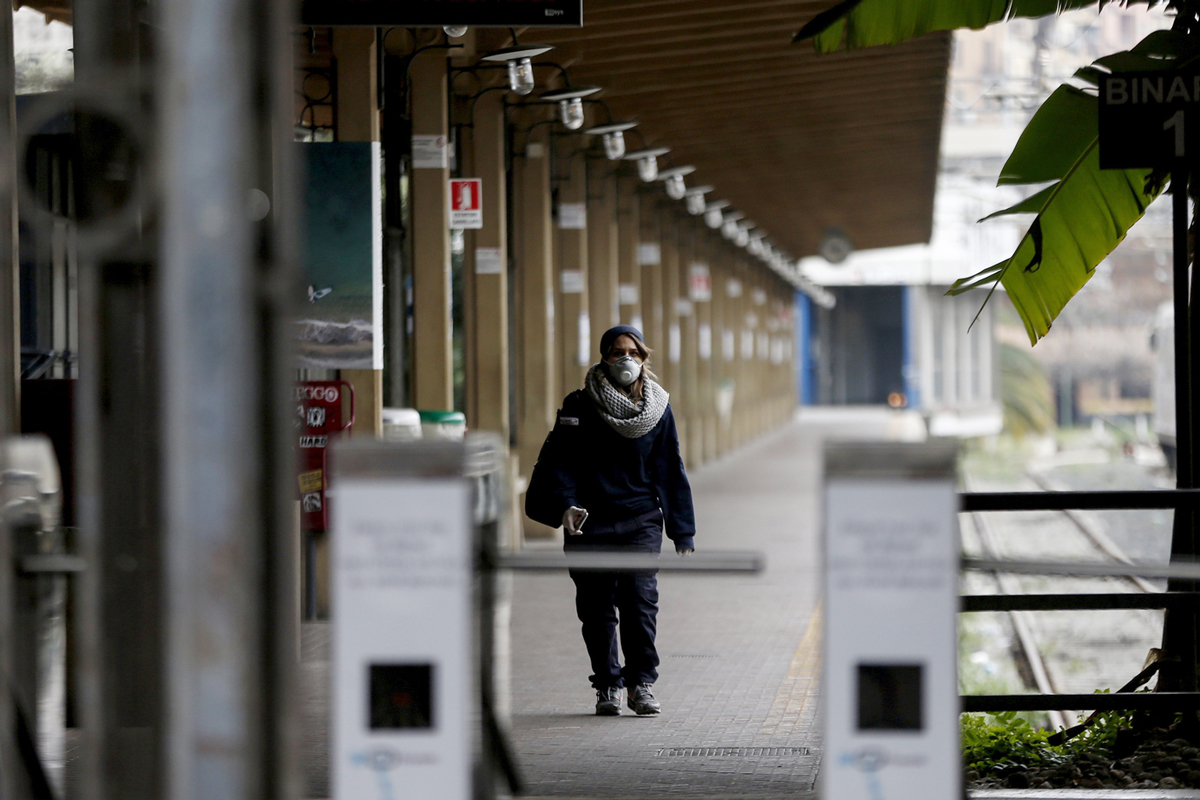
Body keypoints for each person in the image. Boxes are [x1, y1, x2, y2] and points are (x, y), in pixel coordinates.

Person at [526, 325, 696, 716]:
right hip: (589, 523)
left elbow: (670, 468)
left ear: (644, 358)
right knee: (596, 607)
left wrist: (681, 530)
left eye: (634, 353)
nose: (626, 360)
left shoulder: (657, 409)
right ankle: (607, 685)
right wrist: (566, 506)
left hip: (640, 520)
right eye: (617, 352)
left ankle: (641, 684)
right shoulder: (579, 406)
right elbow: (559, 464)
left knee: (639, 602)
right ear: (603, 358)